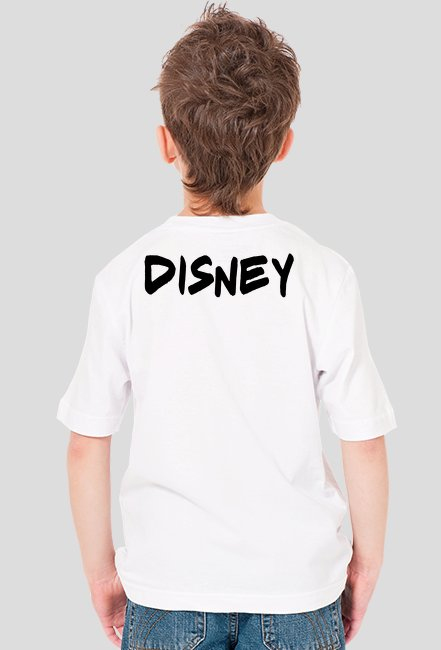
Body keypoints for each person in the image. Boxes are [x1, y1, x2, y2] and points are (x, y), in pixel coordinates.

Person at [56, 4, 397, 648]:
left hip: (166, 585)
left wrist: (101, 574)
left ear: (166, 143)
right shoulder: (323, 273)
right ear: (284, 144)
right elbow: (364, 439)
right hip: (298, 589)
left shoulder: (124, 277)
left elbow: (86, 442)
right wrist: (366, 564)